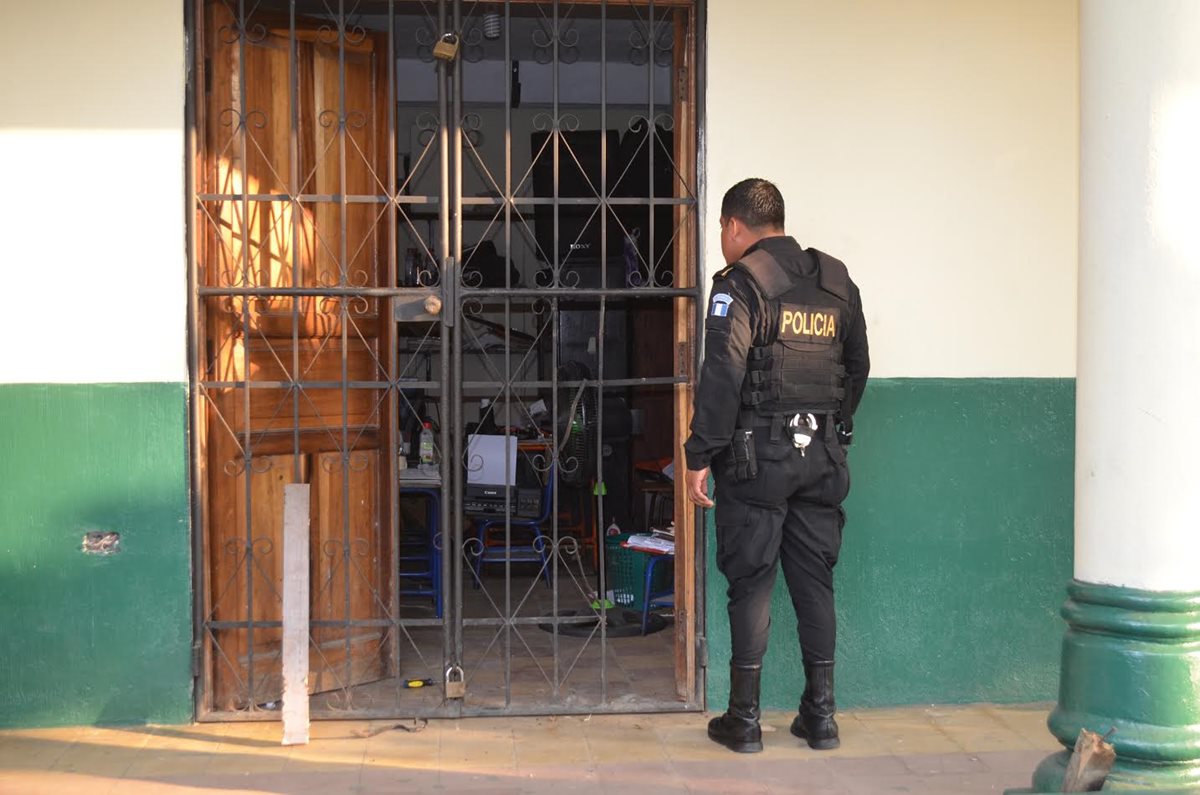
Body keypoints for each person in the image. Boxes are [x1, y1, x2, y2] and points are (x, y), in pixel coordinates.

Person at [684, 178, 870, 754]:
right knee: (815, 582)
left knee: (752, 582)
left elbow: (722, 376)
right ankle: (822, 717)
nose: (722, 239)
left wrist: (698, 456)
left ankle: (744, 720)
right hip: (822, 457)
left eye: (720, 229)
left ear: (735, 227)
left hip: (755, 459)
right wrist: (834, 426)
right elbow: (858, 367)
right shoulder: (837, 283)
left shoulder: (740, 286)